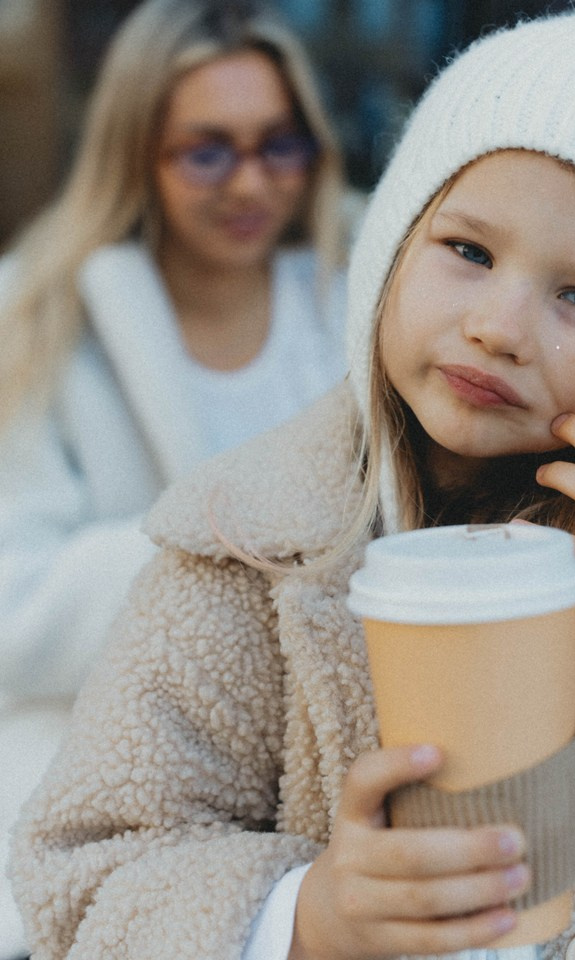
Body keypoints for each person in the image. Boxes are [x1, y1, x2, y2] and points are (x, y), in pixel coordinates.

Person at [10, 2, 575, 958]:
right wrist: (312, 915)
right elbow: (86, 873)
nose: (500, 326)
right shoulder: (238, 559)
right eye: (468, 250)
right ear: (392, 249)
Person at [0, 0, 353, 955]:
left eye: (280, 146)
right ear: (135, 155)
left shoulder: (355, 289)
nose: (251, 182)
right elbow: (12, 606)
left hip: (323, 775)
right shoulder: (34, 317)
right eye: (207, 151)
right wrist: (215, 542)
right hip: (107, 769)